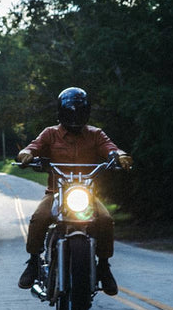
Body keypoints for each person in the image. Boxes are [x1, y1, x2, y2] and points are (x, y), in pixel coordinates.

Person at [17, 87, 133, 295]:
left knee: (105, 219)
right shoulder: (50, 134)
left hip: (86, 194)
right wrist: (26, 154)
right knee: (39, 217)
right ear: (61, 112)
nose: (75, 116)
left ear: (86, 112)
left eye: (79, 111)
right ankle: (33, 262)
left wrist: (121, 156)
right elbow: (33, 147)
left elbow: (111, 148)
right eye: (71, 112)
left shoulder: (95, 134)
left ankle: (104, 266)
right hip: (56, 192)